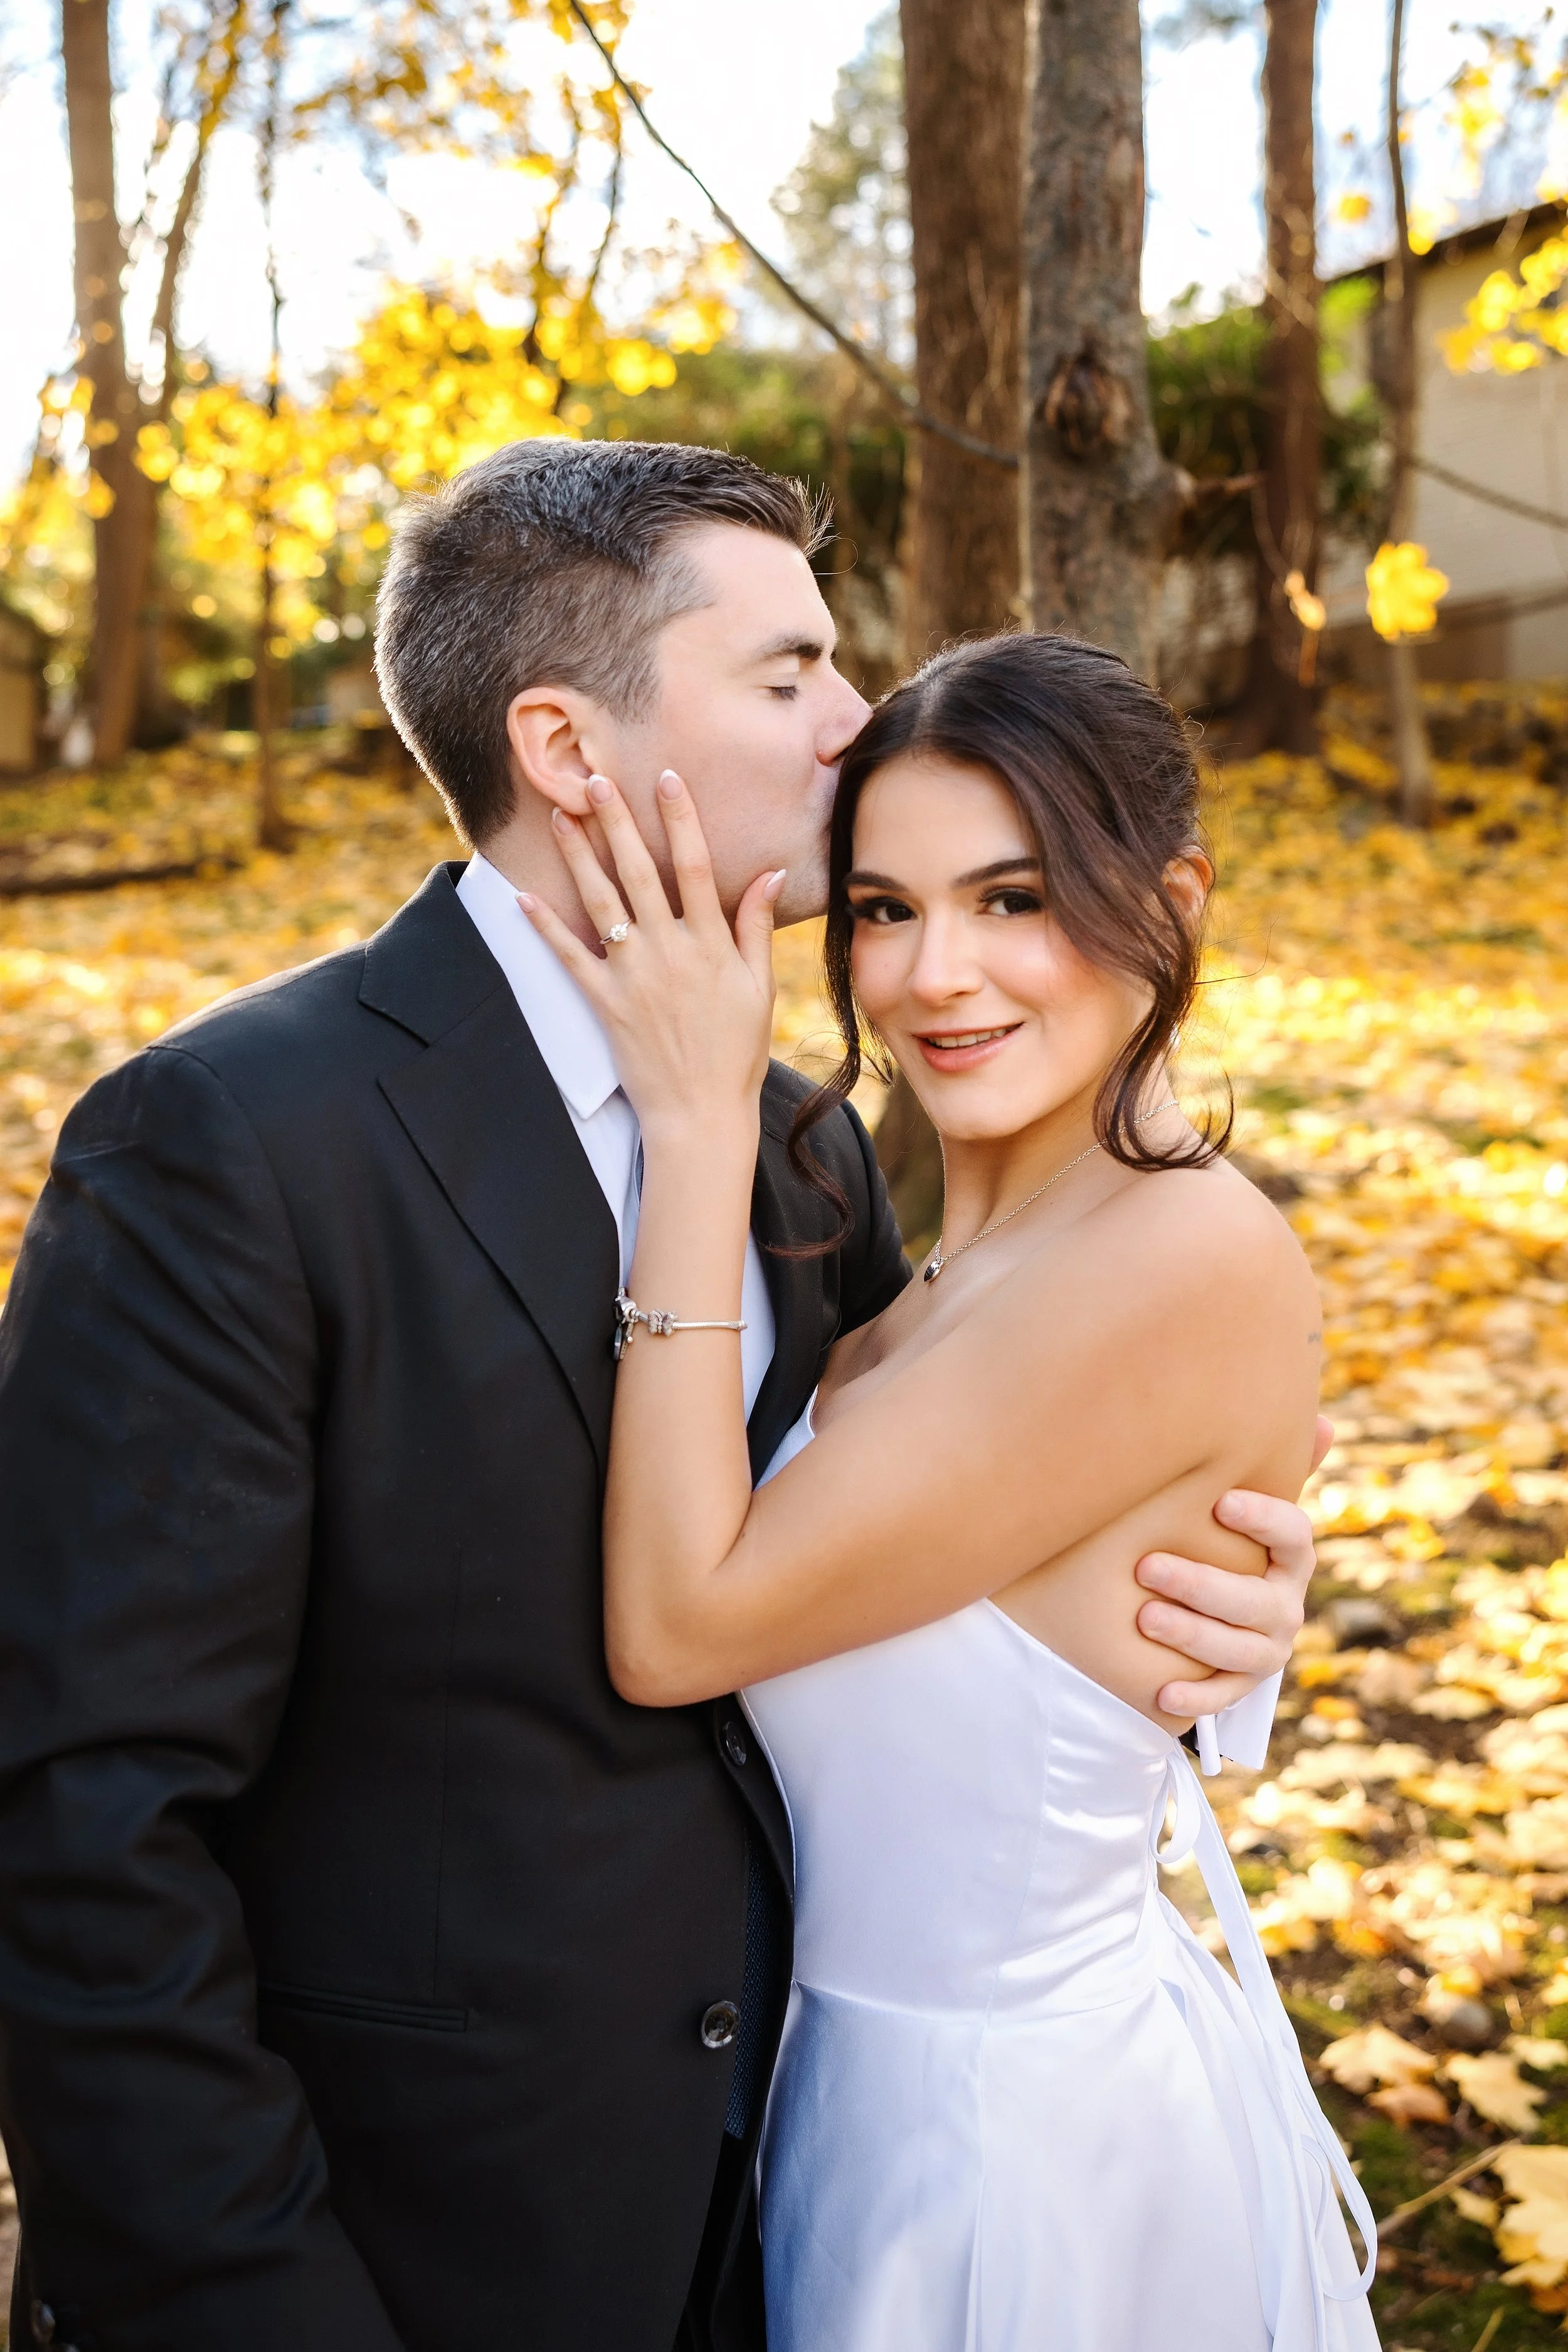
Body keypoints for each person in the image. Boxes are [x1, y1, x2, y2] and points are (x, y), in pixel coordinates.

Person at [0, 445, 1316, 2352]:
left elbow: (920, 1558)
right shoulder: (231, 1142)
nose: (855, 717)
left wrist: (1195, 1605)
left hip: (786, 2223)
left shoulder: (799, 1148)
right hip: (397, 2259)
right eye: (789, 673)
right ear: (567, 748)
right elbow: (79, 1831)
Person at [524, 628, 1378, 2351]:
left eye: (1013, 898)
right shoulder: (929, 1255)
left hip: (1007, 2154)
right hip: (846, 2099)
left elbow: (683, 1624)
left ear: (1173, 905)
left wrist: (696, 1127)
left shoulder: (1180, 1252)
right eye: (883, 909)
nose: (934, 974)